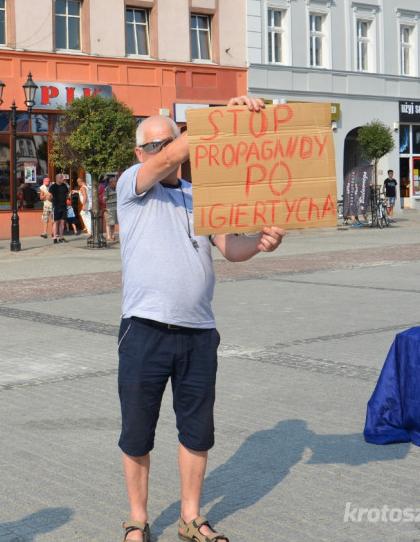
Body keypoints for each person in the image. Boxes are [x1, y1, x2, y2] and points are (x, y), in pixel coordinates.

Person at [117, 105, 285, 542]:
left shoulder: (200, 194)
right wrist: (218, 118)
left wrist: (261, 243)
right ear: (141, 152)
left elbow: (230, 248)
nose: (162, 149)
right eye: (153, 145)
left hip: (198, 331)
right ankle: (138, 519)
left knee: (197, 430)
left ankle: (190, 517)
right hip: (145, 329)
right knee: (137, 431)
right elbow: (168, 160)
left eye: (167, 140)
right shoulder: (131, 187)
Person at [49, 173, 70, 243]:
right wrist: (53, 201)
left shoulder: (64, 186)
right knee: (56, 222)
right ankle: (55, 238)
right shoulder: (53, 187)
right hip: (56, 206)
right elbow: (49, 196)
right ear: (57, 179)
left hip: (63, 206)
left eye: (63, 178)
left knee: (62, 222)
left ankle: (61, 237)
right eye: (61, 178)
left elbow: (67, 194)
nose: (63, 179)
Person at [105, 173, 119, 242]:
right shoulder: (107, 189)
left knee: (113, 222)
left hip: (116, 207)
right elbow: (104, 199)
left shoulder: (116, 189)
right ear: (111, 182)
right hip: (110, 208)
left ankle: (112, 236)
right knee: (109, 222)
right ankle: (108, 236)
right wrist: (105, 207)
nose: (116, 182)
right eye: (115, 181)